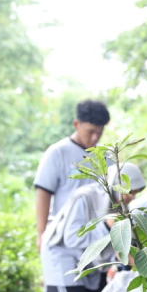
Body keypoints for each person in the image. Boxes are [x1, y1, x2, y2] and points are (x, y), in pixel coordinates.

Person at [41, 162, 146, 292]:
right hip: (63, 260)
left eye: (135, 194)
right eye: (130, 192)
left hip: (90, 265)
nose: (131, 198)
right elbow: (72, 238)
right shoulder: (85, 197)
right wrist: (105, 226)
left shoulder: (119, 208)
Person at [34, 100, 110, 252]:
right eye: (90, 132)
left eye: (99, 132)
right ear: (76, 124)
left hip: (96, 239)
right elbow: (43, 193)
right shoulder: (58, 153)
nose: (95, 137)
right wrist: (41, 234)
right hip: (62, 239)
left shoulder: (107, 158)